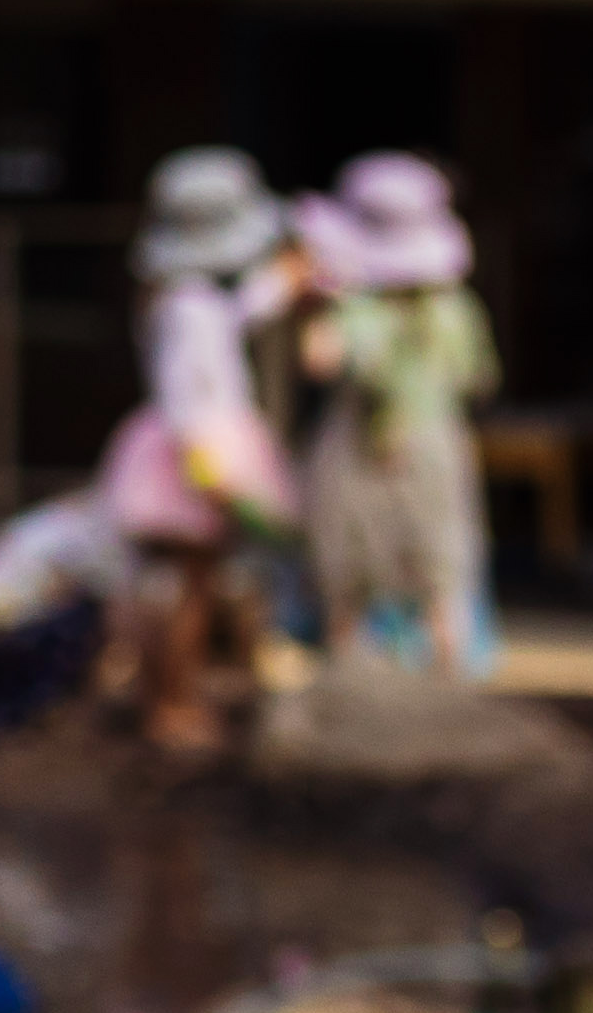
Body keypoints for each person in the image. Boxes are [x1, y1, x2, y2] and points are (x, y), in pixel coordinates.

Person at [97, 143, 302, 755]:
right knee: (187, 590)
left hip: (192, 450)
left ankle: (168, 695)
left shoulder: (187, 299)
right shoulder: (188, 310)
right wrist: (208, 473)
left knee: (189, 586)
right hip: (192, 459)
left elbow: (234, 317)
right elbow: (187, 395)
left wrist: (278, 287)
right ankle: (172, 704)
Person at [291, 151, 501, 676]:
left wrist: (318, 305)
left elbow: (320, 360)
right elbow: (478, 379)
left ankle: (346, 688)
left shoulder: (357, 309)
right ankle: (449, 687)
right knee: (440, 576)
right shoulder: (457, 307)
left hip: (359, 454)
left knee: (350, 582)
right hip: (435, 445)